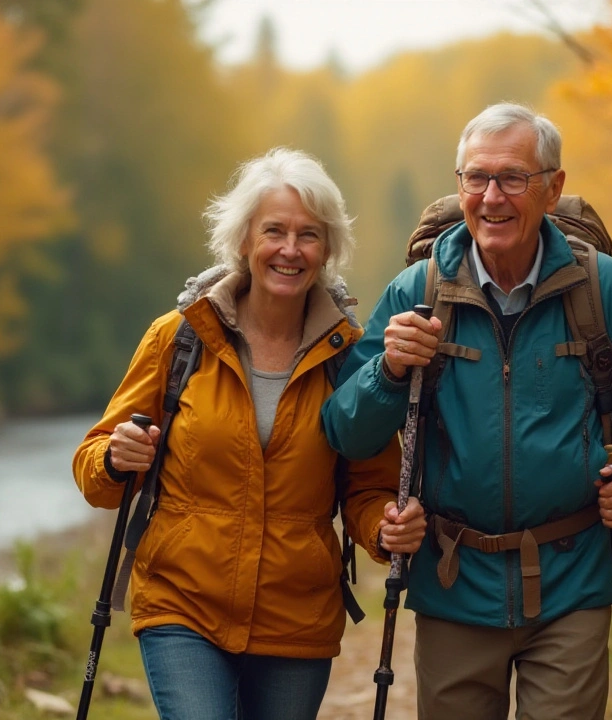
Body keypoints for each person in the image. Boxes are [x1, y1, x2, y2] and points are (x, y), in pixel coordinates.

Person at [321, 103, 612, 719]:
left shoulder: (608, 291)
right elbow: (344, 429)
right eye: (475, 178)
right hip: (453, 585)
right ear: (459, 185)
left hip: (571, 584)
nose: (492, 197)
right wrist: (388, 370)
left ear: (553, 187)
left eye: (513, 177)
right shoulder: (417, 294)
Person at [72, 147, 426, 720]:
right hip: (181, 605)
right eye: (274, 231)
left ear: (328, 248)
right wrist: (116, 458)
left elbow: (368, 488)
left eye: (309, 235)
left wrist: (386, 529)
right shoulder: (179, 339)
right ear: (243, 241)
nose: (290, 249)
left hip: (297, 618)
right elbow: (96, 469)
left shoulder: (349, 359)